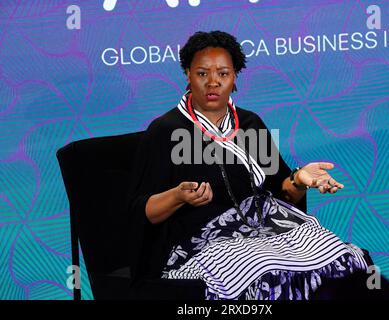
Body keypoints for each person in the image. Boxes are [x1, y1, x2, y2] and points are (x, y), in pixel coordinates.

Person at [128, 30, 371, 300]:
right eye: (202, 73)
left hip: (268, 231)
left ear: (235, 78)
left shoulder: (250, 124)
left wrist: (299, 180)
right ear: (187, 74)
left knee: (344, 259)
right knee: (269, 275)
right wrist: (177, 196)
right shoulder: (166, 131)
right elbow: (142, 212)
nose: (212, 83)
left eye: (223, 74)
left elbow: (283, 194)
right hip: (201, 242)